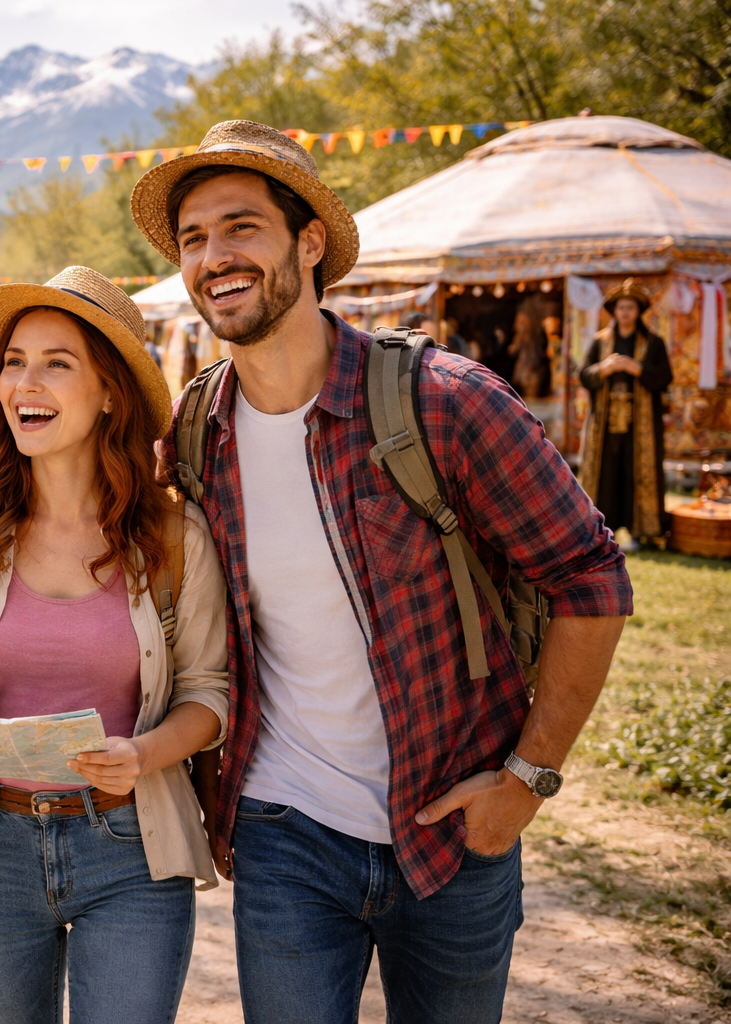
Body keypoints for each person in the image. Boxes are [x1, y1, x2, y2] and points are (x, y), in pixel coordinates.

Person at [128, 120, 634, 1023]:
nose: (213, 257)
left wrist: (527, 780)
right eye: (194, 238)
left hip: (454, 823)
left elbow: (591, 577)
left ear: (309, 242)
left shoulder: (445, 401)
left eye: (242, 227)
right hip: (283, 829)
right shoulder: (198, 431)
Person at [0, 266, 229, 1023]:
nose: (25, 382)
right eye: (15, 361)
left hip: (132, 844)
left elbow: (209, 692)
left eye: (56, 363)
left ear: (110, 391)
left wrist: (143, 754)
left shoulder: (175, 534)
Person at [579, 279, 671, 551]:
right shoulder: (600, 342)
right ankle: (599, 532)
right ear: (614, 311)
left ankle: (641, 532)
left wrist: (638, 369)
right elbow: (584, 375)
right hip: (604, 423)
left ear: (638, 311)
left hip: (641, 424)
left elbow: (665, 377)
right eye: (621, 307)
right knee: (605, 474)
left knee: (636, 474)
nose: (625, 312)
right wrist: (603, 369)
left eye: (630, 307)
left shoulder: (653, 343)